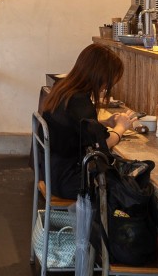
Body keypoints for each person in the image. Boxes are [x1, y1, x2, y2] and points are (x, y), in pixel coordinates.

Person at [41, 43, 136, 200]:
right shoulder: (79, 101)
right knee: (129, 190)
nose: (108, 86)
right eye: (110, 81)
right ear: (100, 76)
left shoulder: (63, 88)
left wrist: (105, 123)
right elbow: (103, 144)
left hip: (52, 171)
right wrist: (121, 127)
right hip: (69, 180)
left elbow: (75, 126)